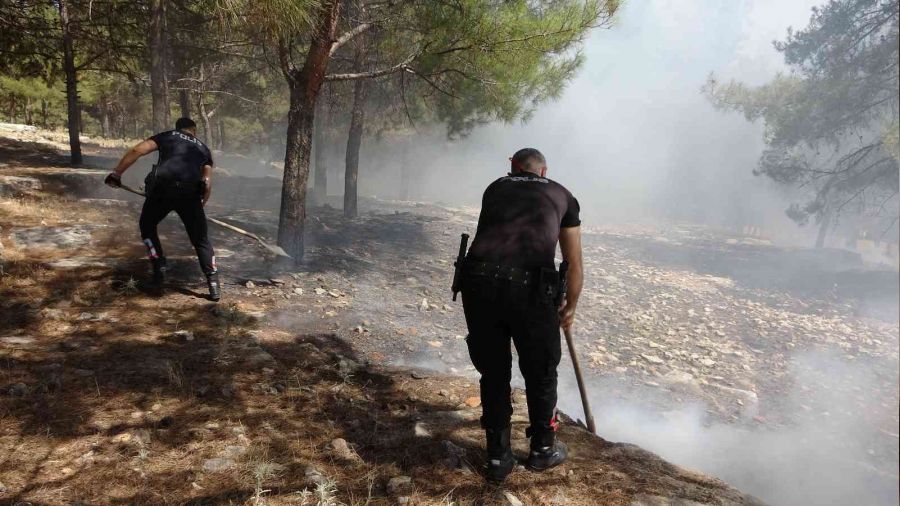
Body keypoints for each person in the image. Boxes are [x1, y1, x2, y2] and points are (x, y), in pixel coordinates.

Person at [461, 148, 583, 483]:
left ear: (512, 168)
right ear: (544, 171)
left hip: (479, 284)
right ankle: (543, 450)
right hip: (531, 291)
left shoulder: (495, 188)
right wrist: (570, 306)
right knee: (541, 371)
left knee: (494, 371)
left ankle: (499, 457)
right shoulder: (563, 195)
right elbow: (573, 261)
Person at [104, 117, 220, 301]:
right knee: (201, 239)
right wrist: (200, 206)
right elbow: (207, 182)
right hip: (190, 195)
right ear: (194, 130)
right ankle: (213, 284)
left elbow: (138, 150)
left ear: (178, 128)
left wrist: (117, 174)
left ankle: (159, 266)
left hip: (162, 190)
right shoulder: (203, 148)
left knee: (147, 225)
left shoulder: (168, 136)